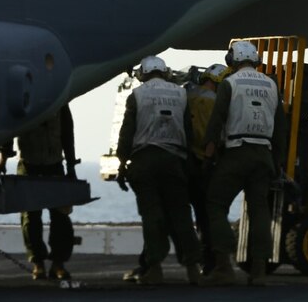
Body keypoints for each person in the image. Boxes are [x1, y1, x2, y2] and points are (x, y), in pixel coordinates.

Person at [204, 40, 286, 286]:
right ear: (256, 60)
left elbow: (216, 122)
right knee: (260, 209)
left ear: (233, 60)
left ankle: (223, 266)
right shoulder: (272, 85)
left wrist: (207, 158)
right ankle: (259, 271)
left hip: (236, 153)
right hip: (264, 155)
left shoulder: (229, 83)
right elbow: (281, 129)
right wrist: (277, 164)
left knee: (215, 203)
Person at [116, 55, 202, 285]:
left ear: (143, 74)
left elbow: (126, 133)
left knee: (152, 216)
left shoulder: (137, 95)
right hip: (175, 160)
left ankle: (154, 269)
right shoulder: (181, 94)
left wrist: (122, 163)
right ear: (164, 73)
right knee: (181, 215)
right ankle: (193, 268)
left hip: (145, 161)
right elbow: (188, 131)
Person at [0, 104, 78, 281]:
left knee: (61, 217)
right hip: (29, 165)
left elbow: (67, 132)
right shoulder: (24, 98)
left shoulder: (60, 101)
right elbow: (9, 129)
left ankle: (58, 263)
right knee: (30, 218)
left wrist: (71, 164)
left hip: (55, 164)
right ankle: (38, 263)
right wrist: (3, 159)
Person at [186, 62, 226, 274]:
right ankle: (209, 262)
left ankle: (192, 263)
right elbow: (212, 135)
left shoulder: (189, 95)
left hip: (186, 161)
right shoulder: (213, 102)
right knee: (206, 216)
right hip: (204, 163)